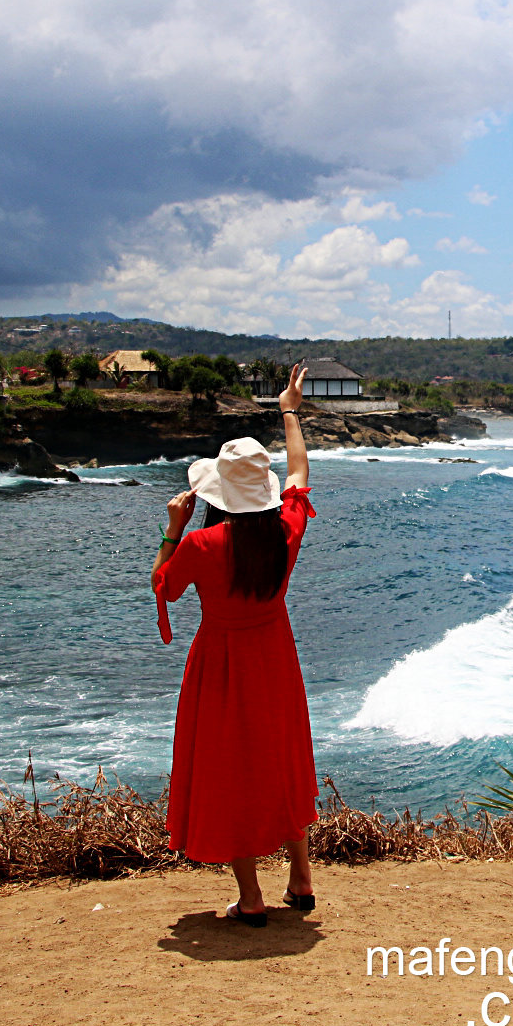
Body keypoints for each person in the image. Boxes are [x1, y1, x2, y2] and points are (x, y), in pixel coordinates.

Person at [152, 362, 317, 927]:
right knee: (276, 755)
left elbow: (163, 586)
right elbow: (299, 471)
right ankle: (300, 877)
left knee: (231, 765)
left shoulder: (200, 543)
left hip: (221, 661)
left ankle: (250, 896)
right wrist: (288, 409)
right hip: (275, 653)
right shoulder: (286, 532)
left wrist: (173, 528)